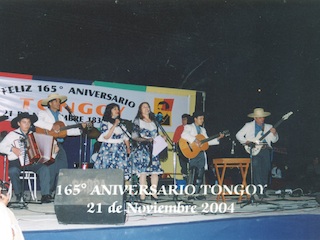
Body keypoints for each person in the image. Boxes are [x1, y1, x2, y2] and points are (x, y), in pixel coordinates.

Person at [33, 93, 86, 196]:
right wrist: (51, 127)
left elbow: (65, 131)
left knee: (63, 167)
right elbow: (36, 123)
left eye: (59, 101)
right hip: (47, 142)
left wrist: (80, 130)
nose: (59, 103)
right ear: (50, 103)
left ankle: (60, 192)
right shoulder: (43, 113)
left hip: (58, 144)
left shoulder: (61, 117)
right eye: (56, 101)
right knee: (50, 168)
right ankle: (47, 193)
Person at [0, 112, 52, 203]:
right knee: (13, 171)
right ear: (19, 123)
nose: (27, 124)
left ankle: (45, 195)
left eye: (28, 122)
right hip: (16, 162)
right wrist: (12, 149)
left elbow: (45, 147)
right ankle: (19, 195)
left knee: (44, 168)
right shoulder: (12, 135)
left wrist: (54, 148)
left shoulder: (34, 135)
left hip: (31, 162)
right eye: (24, 122)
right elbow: (1, 146)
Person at [181, 111, 224, 199]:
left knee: (200, 173)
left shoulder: (203, 130)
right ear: (195, 119)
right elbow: (184, 134)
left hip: (200, 153)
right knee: (192, 173)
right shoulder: (188, 127)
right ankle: (190, 193)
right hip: (193, 152)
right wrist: (195, 140)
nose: (202, 120)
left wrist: (217, 138)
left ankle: (197, 193)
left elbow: (206, 142)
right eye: (200, 118)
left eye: (203, 118)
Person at [236, 108, 279, 198]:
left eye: (263, 117)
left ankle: (263, 189)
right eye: (259, 118)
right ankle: (258, 191)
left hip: (265, 149)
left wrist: (275, 134)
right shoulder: (248, 125)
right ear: (255, 118)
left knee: (266, 169)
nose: (262, 119)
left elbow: (274, 140)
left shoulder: (269, 126)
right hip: (254, 149)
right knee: (256, 169)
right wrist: (246, 142)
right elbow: (238, 135)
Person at [130, 102, 165, 201]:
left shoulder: (154, 121)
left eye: (148, 107)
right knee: (143, 172)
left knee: (155, 172)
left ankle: (154, 194)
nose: (146, 108)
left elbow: (155, 135)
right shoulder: (138, 121)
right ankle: (142, 195)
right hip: (142, 149)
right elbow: (134, 136)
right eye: (144, 107)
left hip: (154, 148)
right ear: (140, 109)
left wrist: (161, 138)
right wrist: (147, 140)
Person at [93, 103, 131, 179]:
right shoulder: (105, 123)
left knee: (119, 170)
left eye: (118, 109)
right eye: (115, 109)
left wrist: (128, 148)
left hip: (120, 149)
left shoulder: (122, 124)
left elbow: (125, 137)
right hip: (108, 149)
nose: (117, 111)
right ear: (109, 111)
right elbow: (106, 136)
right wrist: (114, 125)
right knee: (107, 171)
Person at [173, 113, 190, 181]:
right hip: (181, 149)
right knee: (183, 164)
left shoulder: (191, 128)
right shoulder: (179, 128)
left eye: (185, 119)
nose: (183, 121)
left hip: (191, 148)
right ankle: (185, 177)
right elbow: (175, 140)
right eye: (182, 120)